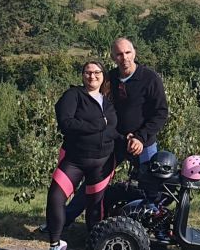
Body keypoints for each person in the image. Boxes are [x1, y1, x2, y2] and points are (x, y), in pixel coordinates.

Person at [59, 37, 169, 227]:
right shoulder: (108, 79)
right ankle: (63, 221)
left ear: (134, 53)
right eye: (119, 54)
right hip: (114, 141)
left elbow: (161, 113)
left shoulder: (150, 78)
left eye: (127, 52)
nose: (124, 57)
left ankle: (153, 230)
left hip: (143, 143)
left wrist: (140, 137)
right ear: (113, 57)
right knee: (93, 183)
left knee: (152, 186)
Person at [46, 61, 120, 250]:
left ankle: (96, 249)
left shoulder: (108, 103)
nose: (92, 76)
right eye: (88, 72)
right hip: (74, 160)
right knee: (56, 197)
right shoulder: (73, 96)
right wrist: (98, 125)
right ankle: (55, 246)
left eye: (97, 72)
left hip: (102, 163)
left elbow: (113, 130)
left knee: (95, 207)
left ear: (103, 76)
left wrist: (131, 139)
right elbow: (66, 123)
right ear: (82, 75)